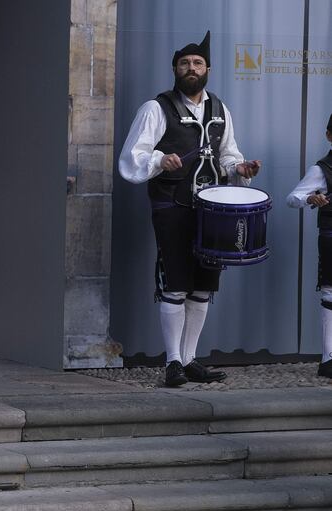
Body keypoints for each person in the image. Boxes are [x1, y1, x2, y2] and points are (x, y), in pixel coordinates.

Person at [118, 31, 261, 387]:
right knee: (177, 284)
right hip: (172, 206)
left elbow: (229, 154)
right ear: (175, 69)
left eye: (197, 63)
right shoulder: (157, 107)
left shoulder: (220, 109)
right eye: (184, 63)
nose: (191, 68)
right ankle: (173, 363)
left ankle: (192, 358)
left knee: (203, 287)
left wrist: (239, 169)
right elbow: (132, 156)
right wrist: (157, 160)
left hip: (211, 211)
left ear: (208, 68)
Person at [286, 113, 332, 377]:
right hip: (331, 235)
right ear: (329, 135)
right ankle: (328, 359)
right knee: (331, 294)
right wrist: (310, 199)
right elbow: (292, 198)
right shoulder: (321, 169)